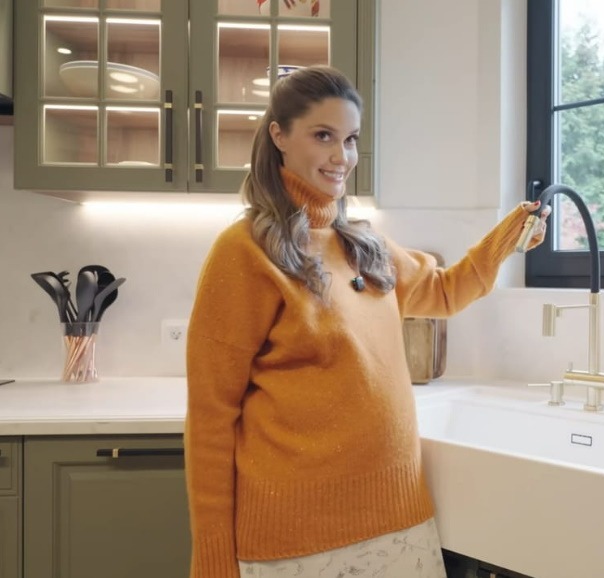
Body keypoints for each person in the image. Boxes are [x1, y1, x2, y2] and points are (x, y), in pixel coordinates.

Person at [184, 65, 550, 578]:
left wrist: (508, 237)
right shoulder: (243, 251)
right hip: (294, 538)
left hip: (399, 521)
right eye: (323, 136)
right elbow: (210, 419)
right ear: (279, 136)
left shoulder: (363, 243)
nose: (342, 156)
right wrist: (213, 556)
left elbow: (445, 290)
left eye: (351, 139)